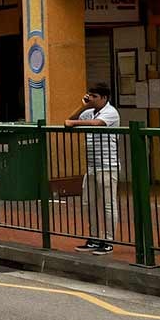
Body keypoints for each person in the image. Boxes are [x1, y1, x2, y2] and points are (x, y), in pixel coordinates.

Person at [64, 83, 121, 254]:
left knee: (108, 203)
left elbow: (97, 124)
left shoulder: (111, 113)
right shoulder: (88, 111)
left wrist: (74, 123)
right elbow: (69, 119)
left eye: (95, 97)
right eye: (90, 96)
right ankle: (94, 237)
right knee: (88, 202)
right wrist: (83, 106)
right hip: (91, 166)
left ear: (104, 98)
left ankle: (109, 241)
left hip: (107, 165)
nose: (92, 99)